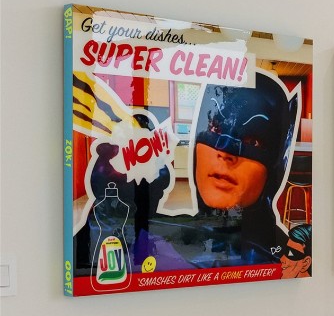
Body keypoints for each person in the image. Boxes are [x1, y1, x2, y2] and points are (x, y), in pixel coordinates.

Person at [75, 70, 300, 275]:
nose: (224, 150)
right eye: (214, 128)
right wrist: (110, 211)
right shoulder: (170, 236)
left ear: (277, 160)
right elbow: (90, 271)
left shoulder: (289, 262)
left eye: (254, 140)